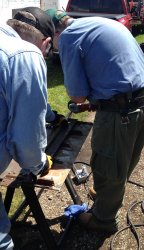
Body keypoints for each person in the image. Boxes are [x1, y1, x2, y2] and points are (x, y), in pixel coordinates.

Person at [46, 9, 144, 234]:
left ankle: (103, 221)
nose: (54, 49)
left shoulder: (68, 36)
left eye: (51, 44)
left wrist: (87, 96)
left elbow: (77, 95)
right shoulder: (101, 23)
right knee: (122, 161)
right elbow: (114, 70)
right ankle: (109, 195)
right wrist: (97, 101)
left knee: (107, 164)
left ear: (56, 32)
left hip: (122, 112)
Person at [0, 7, 59, 249]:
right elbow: (26, 139)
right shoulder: (26, 54)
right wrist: (39, 163)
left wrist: (52, 116)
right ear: (45, 44)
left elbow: (32, 100)